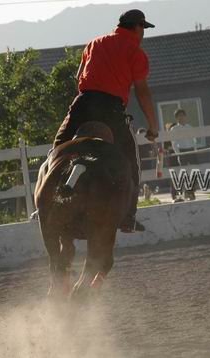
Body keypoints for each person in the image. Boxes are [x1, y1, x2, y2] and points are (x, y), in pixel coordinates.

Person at [51, 9, 160, 233]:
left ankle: (47, 202)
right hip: (110, 110)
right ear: (137, 26)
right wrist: (153, 126)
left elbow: (79, 76)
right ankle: (129, 216)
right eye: (143, 28)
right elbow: (143, 92)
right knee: (130, 161)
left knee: (58, 148)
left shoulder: (94, 43)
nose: (143, 33)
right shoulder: (135, 52)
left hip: (83, 103)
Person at [170, 109, 197, 201]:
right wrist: (178, 153)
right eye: (179, 116)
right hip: (182, 151)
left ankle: (192, 192)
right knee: (184, 173)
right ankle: (186, 192)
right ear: (176, 118)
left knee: (193, 172)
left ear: (185, 117)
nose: (181, 118)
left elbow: (194, 139)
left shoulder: (189, 127)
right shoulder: (174, 129)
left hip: (191, 151)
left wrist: (195, 149)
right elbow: (173, 142)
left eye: (183, 115)